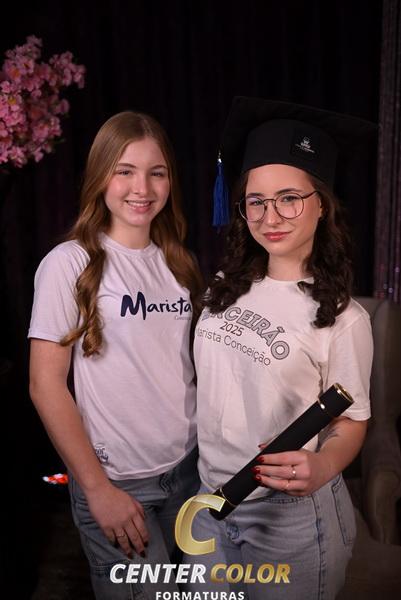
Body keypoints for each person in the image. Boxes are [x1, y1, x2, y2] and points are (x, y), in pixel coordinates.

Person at [183, 97, 375, 599]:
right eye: (256, 201)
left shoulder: (344, 320)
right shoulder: (222, 289)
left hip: (289, 516)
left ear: (321, 204)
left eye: (289, 198)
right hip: (209, 501)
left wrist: (324, 466)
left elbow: (352, 420)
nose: (271, 216)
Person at [28, 110, 203, 599]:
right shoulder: (70, 264)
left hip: (188, 473)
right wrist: (97, 490)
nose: (141, 188)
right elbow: (44, 385)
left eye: (156, 172)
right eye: (125, 171)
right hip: (119, 482)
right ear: (100, 176)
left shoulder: (179, 263)